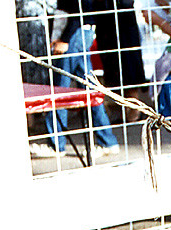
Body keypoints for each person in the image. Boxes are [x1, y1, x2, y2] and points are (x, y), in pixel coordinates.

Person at [30, 0, 120, 159]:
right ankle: (107, 140)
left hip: (75, 31)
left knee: (60, 89)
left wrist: (65, 38)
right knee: (89, 87)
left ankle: (56, 144)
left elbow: (79, 9)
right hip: (80, 31)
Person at [90, 0, 147, 121]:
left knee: (129, 67)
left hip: (123, 25)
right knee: (114, 68)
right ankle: (126, 109)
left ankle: (134, 110)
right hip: (107, 26)